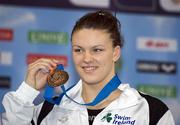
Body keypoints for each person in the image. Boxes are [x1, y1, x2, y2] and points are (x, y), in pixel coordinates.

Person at [2, 10, 175, 125]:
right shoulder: (51, 109)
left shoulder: (150, 111)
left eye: (97, 50)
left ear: (115, 53)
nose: (86, 59)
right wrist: (26, 91)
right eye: (79, 50)